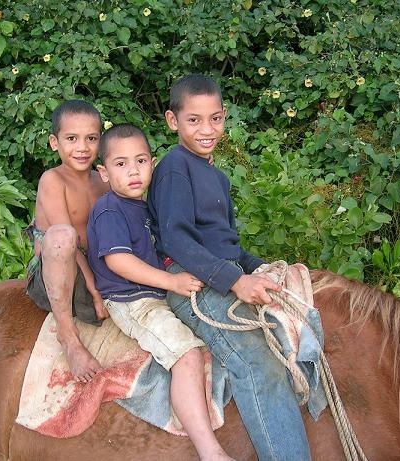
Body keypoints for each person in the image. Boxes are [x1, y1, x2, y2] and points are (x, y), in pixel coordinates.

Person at [147, 74, 312, 461]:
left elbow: (226, 244)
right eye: (194, 120)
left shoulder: (217, 177)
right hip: (195, 289)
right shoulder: (174, 167)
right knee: (260, 366)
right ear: (173, 121)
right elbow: (175, 240)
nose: (207, 130)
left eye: (216, 118)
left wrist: (261, 267)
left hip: (218, 276)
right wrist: (235, 280)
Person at [87, 123, 235, 461]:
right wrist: (171, 282)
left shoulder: (144, 205)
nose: (133, 171)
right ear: (104, 172)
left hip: (153, 293)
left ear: (152, 163)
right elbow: (119, 261)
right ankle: (209, 450)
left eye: (140, 161)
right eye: (121, 164)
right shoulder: (110, 208)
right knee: (187, 354)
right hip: (133, 301)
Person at [25, 99, 110, 384]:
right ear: (54, 142)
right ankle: (68, 337)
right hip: (59, 272)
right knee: (62, 236)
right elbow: (67, 243)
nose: (82, 148)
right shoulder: (52, 179)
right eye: (71, 139)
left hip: (97, 265)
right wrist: (94, 289)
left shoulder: (103, 179)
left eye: (91, 139)